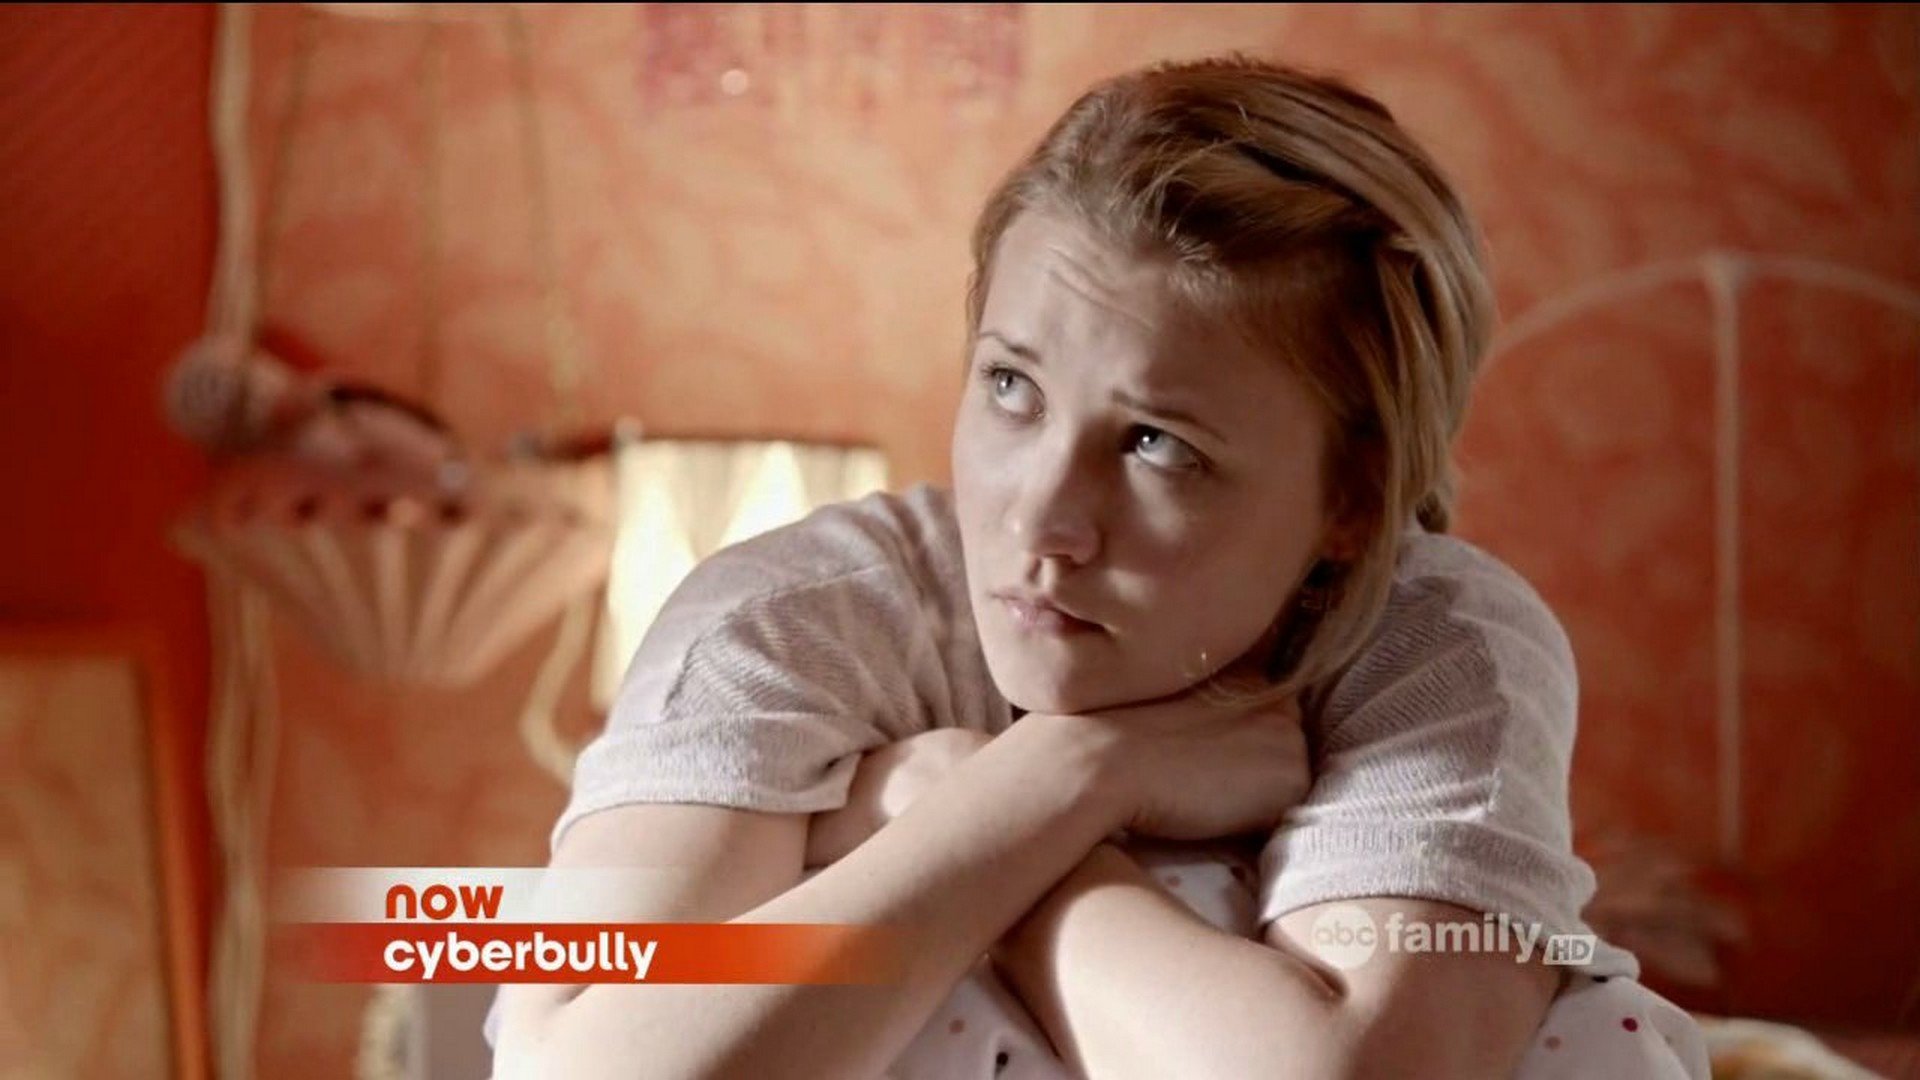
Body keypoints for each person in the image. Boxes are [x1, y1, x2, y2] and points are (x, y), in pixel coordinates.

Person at [488, 55, 1709, 1078]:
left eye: (1156, 444)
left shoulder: (1429, 643)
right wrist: (1060, 778)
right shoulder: (800, 619)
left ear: (1353, 498)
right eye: (1010, 385)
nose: (1042, 519)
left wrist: (940, 805)